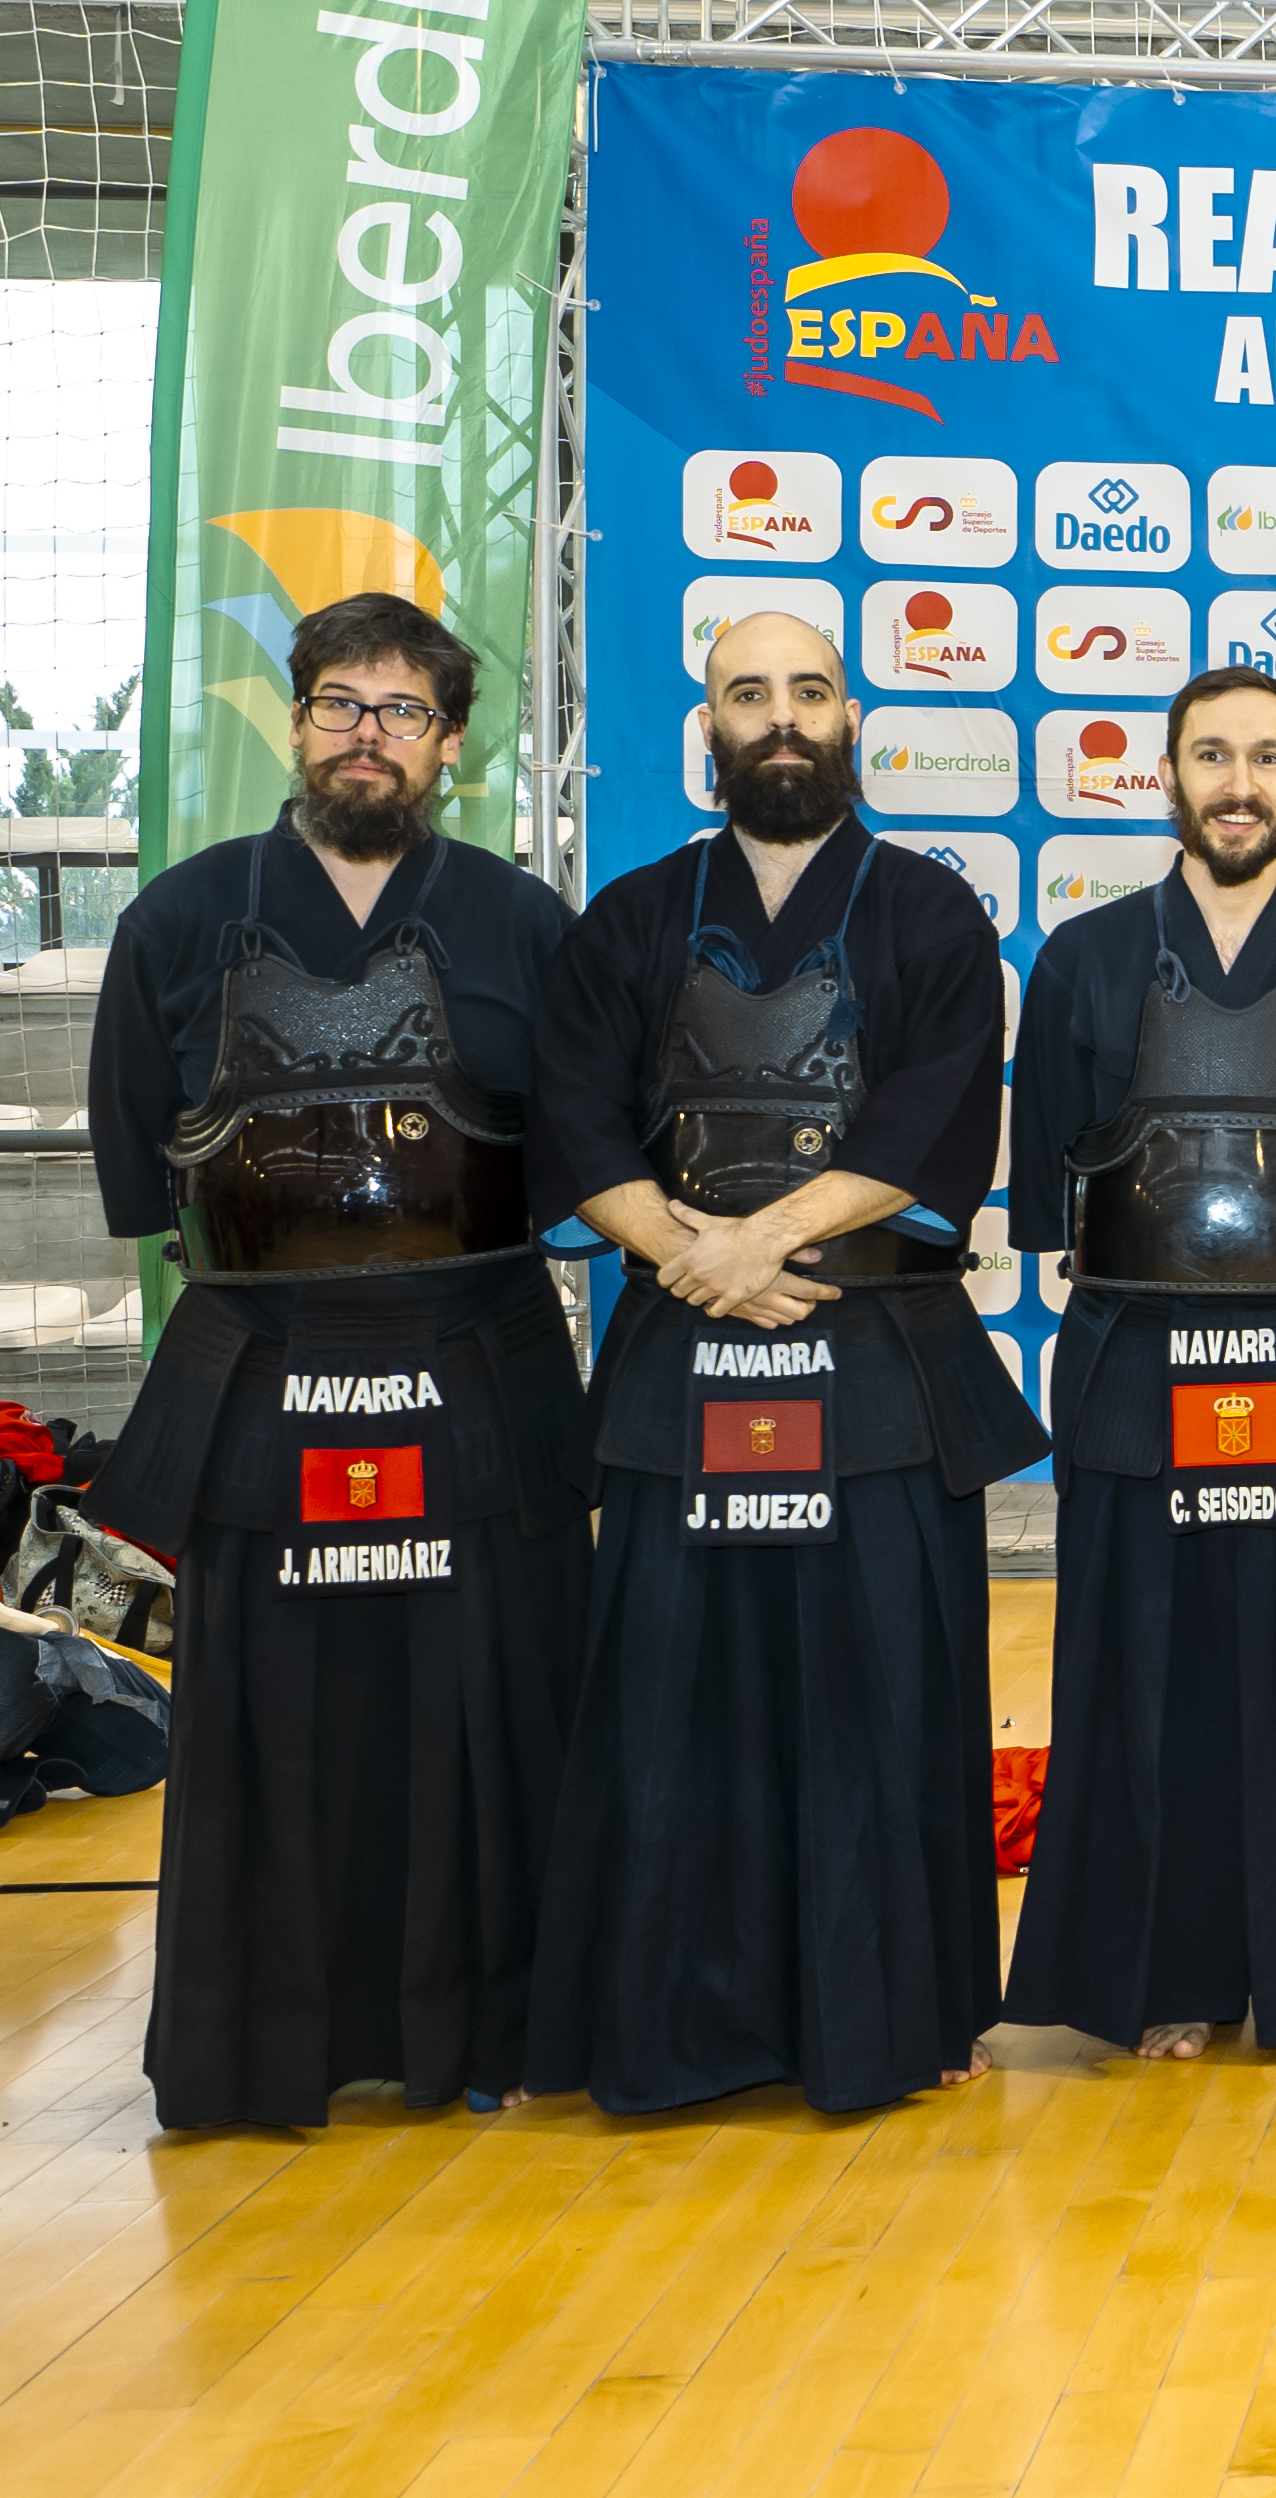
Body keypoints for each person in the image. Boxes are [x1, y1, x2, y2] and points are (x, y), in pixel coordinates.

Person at [520, 610, 1043, 2111]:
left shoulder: (934, 915)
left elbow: (931, 1121)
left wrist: (754, 1247)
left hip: (875, 1351)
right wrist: (696, 1253)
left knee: (883, 1685)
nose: (782, 717)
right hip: (683, 1357)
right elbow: (577, 1119)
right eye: (748, 694)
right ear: (710, 729)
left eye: (808, 689)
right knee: (673, 1693)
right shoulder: (626, 917)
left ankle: (883, 2018)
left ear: (852, 715)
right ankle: (679, 2027)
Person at [83, 592, 581, 2128]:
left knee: (494, 1696)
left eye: (405, 711)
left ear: (451, 746)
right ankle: (261, 2048)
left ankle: (495, 2032)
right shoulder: (176, 916)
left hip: (476, 1357)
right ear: (297, 722)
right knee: (268, 1706)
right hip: (262, 1364)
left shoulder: (522, 924)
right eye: (341, 705)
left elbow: (583, 1160)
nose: (370, 736)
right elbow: (129, 1174)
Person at [1000, 668, 1276, 2060]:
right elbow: (1043, 1199)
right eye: (1210, 754)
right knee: (1147, 1666)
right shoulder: (1080, 955)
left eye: (1265, 756)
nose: (1237, 780)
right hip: (1137, 1359)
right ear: (1166, 778)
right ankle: (1169, 1974)